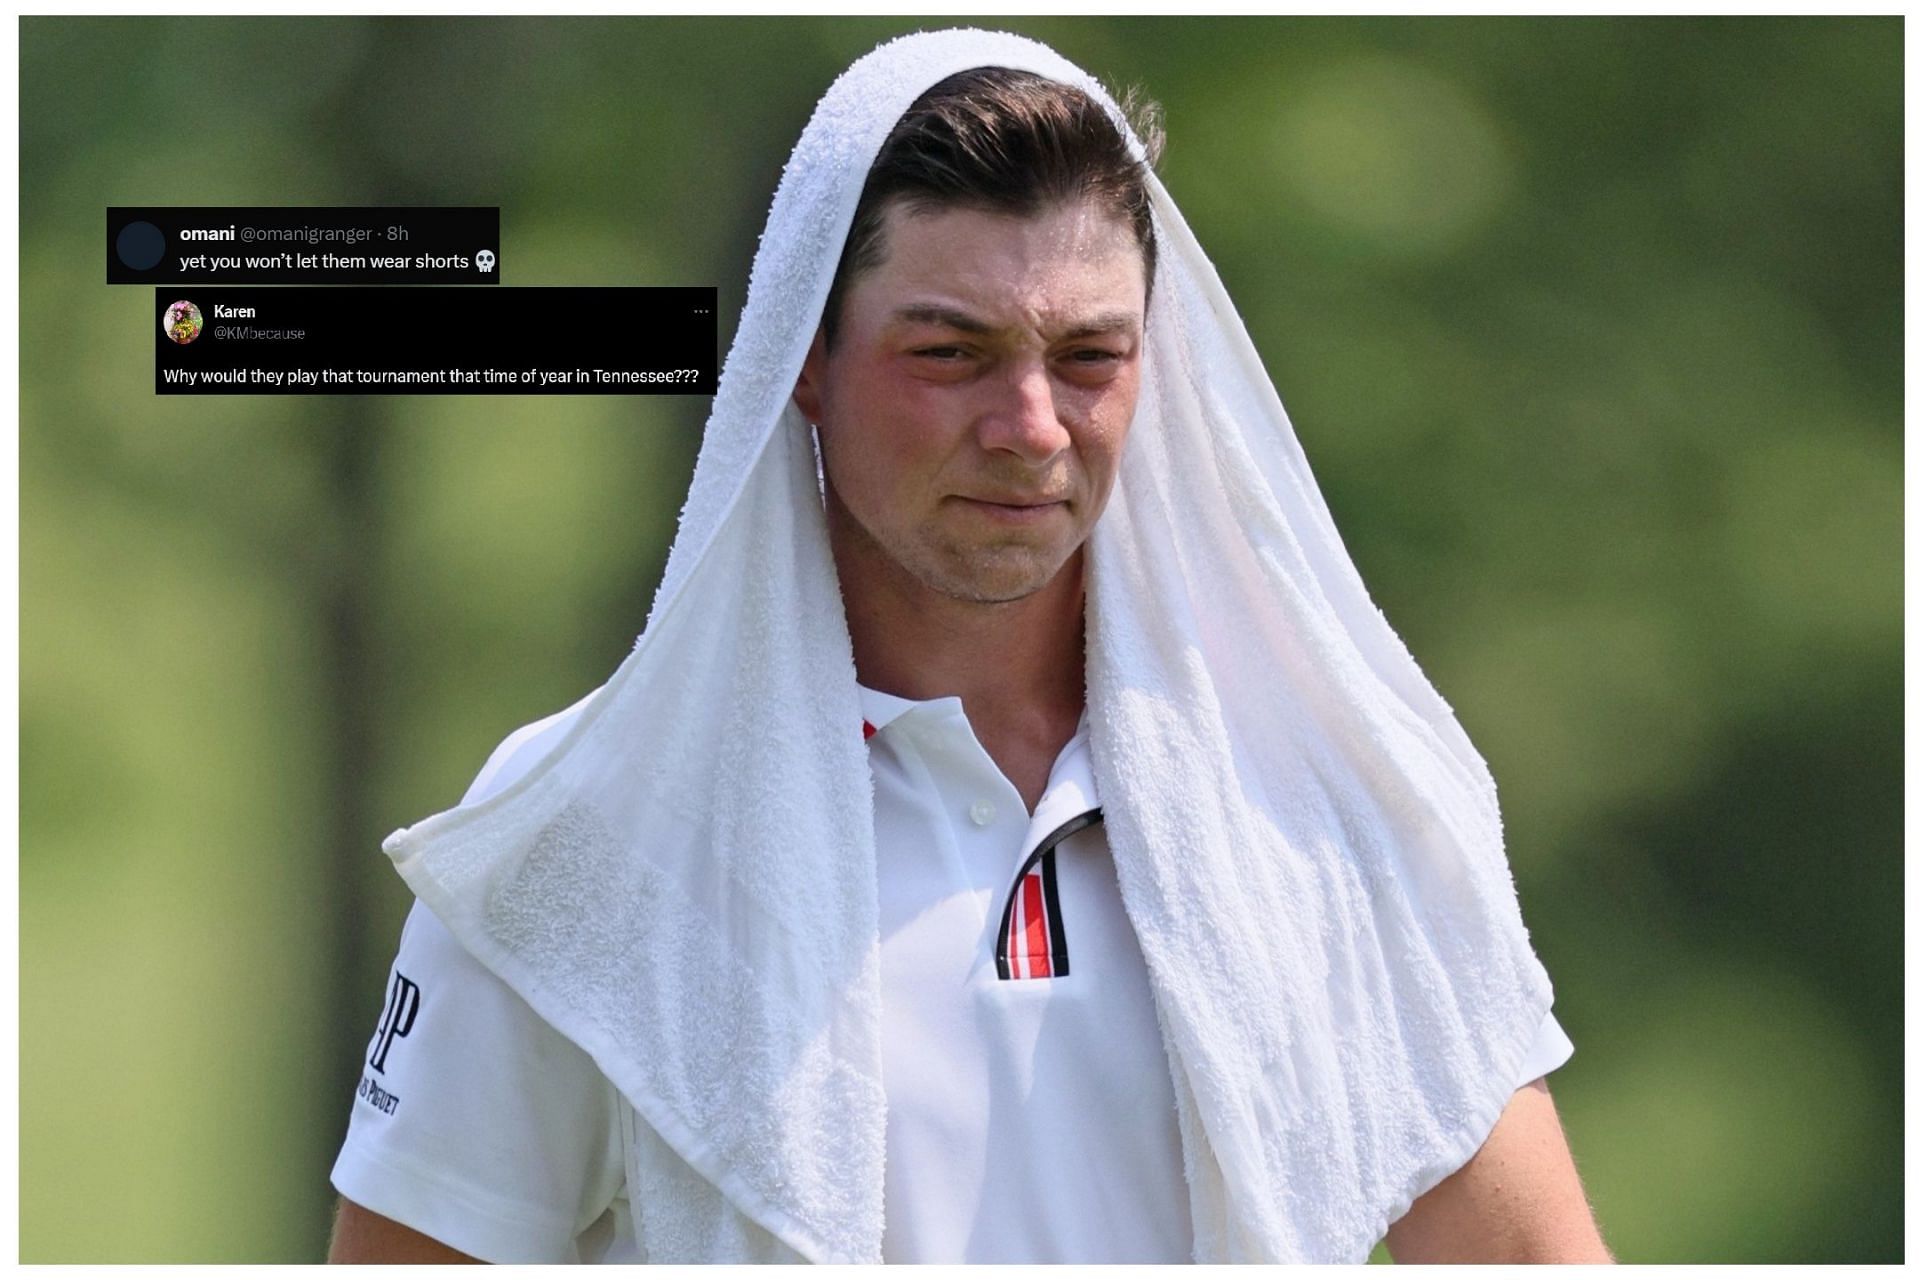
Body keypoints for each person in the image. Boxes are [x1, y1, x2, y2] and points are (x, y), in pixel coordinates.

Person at [328, 29, 1611, 1265]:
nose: (1031, 425)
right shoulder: (591, 836)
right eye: (950, 352)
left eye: (1091, 355)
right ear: (805, 363)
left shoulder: (1327, 807)